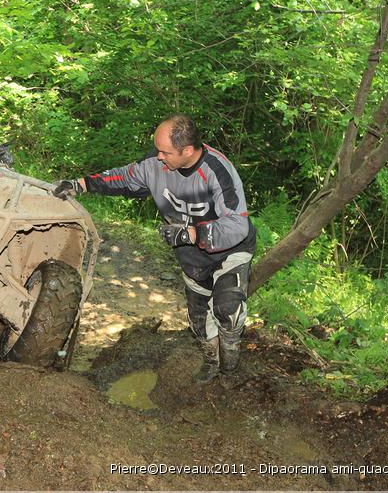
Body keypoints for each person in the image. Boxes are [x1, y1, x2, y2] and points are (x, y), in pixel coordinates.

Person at [53, 115, 256, 383]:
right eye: (158, 150)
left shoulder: (217, 171)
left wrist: (193, 232)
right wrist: (80, 184)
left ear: (187, 150)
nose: (159, 157)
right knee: (198, 318)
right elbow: (122, 177)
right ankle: (211, 362)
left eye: (165, 152)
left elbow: (236, 225)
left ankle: (229, 371)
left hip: (229, 251)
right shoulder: (155, 165)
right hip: (191, 255)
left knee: (227, 310)